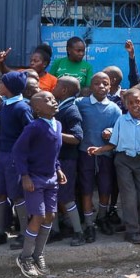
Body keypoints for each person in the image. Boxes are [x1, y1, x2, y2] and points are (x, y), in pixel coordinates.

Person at [88, 89, 140, 244]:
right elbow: (113, 142)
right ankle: (131, 231)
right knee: (129, 196)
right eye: (130, 103)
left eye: (137, 102)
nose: (135, 105)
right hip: (123, 160)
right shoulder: (121, 120)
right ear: (125, 105)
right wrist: (99, 150)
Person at [12, 91, 67, 278]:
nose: (54, 101)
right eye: (48, 100)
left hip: (51, 177)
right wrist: (24, 176)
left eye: (54, 98)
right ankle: (25, 256)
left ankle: (38, 254)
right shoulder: (33, 127)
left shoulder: (57, 125)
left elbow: (54, 152)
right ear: (37, 109)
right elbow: (18, 151)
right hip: (34, 178)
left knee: (50, 216)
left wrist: (58, 168)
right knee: (38, 216)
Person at [0, 72, 33, 249]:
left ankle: (24, 232)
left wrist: (22, 154)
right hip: (2, 155)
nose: (0, 85)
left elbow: (29, 131)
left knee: (18, 195)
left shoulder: (22, 108)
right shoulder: (6, 105)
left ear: (10, 88)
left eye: (3, 83)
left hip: (14, 157)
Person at [76, 72, 122, 240]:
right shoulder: (81, 103)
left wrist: (111, 132)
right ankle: (89, 224)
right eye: (97, 83)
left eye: (105, 83)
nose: (101, 86)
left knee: (105, 187)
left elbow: (118, 130)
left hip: (105, 154)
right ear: (90, 86)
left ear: (110, 87)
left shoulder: (115, 109)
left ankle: (102, 217)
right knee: (86, 188)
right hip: (85, 153)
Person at [52, 76, 86, 246]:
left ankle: (79, 232)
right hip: (57, 159)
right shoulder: (60, 107)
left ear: (64, 90)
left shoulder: (71, 110)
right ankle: (55, 231)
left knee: (67, 197)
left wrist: (54, 132)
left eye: (57, 85)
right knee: (55, 196)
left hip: (67, 160)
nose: (54, 87)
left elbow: (77, 137)